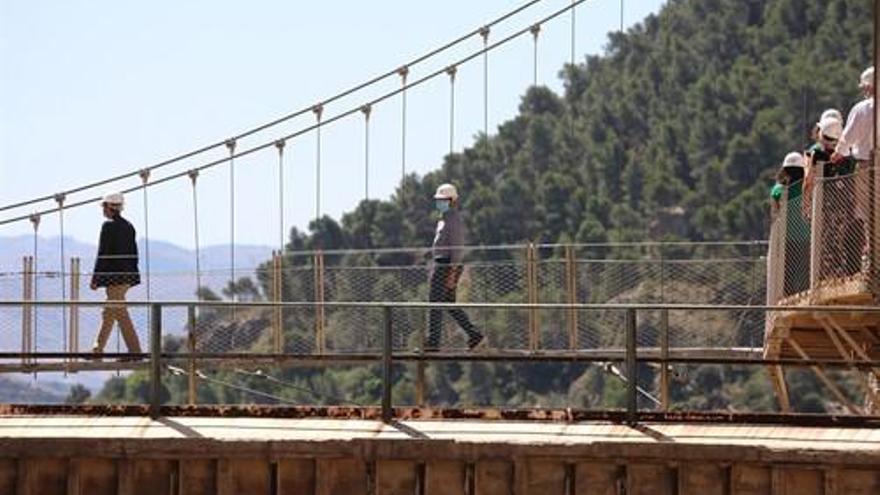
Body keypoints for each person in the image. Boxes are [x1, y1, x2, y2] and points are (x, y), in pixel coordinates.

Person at [426, 183, 485, 351]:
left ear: (452, 201)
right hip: (443, 264)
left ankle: (433, 343)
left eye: (443, 200)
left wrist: (452, 273)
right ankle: (475, 335)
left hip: (446, 265)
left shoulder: (453, 219)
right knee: (447, 304)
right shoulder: (444, 218)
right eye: (438, 200)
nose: (439, 202)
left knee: (435, 304)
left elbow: (457, 248)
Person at [90, 192, 142, 358]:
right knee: (111, 312)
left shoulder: (108, 226)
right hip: (126, 278)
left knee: (117, 312)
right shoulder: (129, 226)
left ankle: (134, 352)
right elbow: (134, 254)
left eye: (104, 206)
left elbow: (103, 254)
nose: (102, 210)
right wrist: (132, 277)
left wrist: (95, 279)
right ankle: (98, 350)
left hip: (115, 279)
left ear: (110, 207)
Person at [770, 152, 809, 296]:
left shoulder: (778, 190)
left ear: (785, 170)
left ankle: (786, 298)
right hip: (805, 236)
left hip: (785, 238)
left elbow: (774, 213)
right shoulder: (807, 188)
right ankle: (803, 298)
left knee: (786, 274)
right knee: (804, 274)